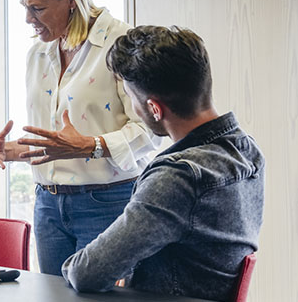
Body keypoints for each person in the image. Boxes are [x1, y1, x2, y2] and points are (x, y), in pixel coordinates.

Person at [0, 0, 160, 275]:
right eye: (24, 6)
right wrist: (13, 150)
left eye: (37, 8)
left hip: (107, 203)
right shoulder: (38, 53)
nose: (28, 19)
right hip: (47, 204)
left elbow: (150, 131)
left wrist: (92, 145)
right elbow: (56, 143)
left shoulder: (122, 43)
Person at [62, 25, 265, 301]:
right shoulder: (247, 151)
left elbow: (87, 273)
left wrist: (73, 266)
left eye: (131, 99)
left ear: (155, 108)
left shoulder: (178, 177)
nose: (133, 108)